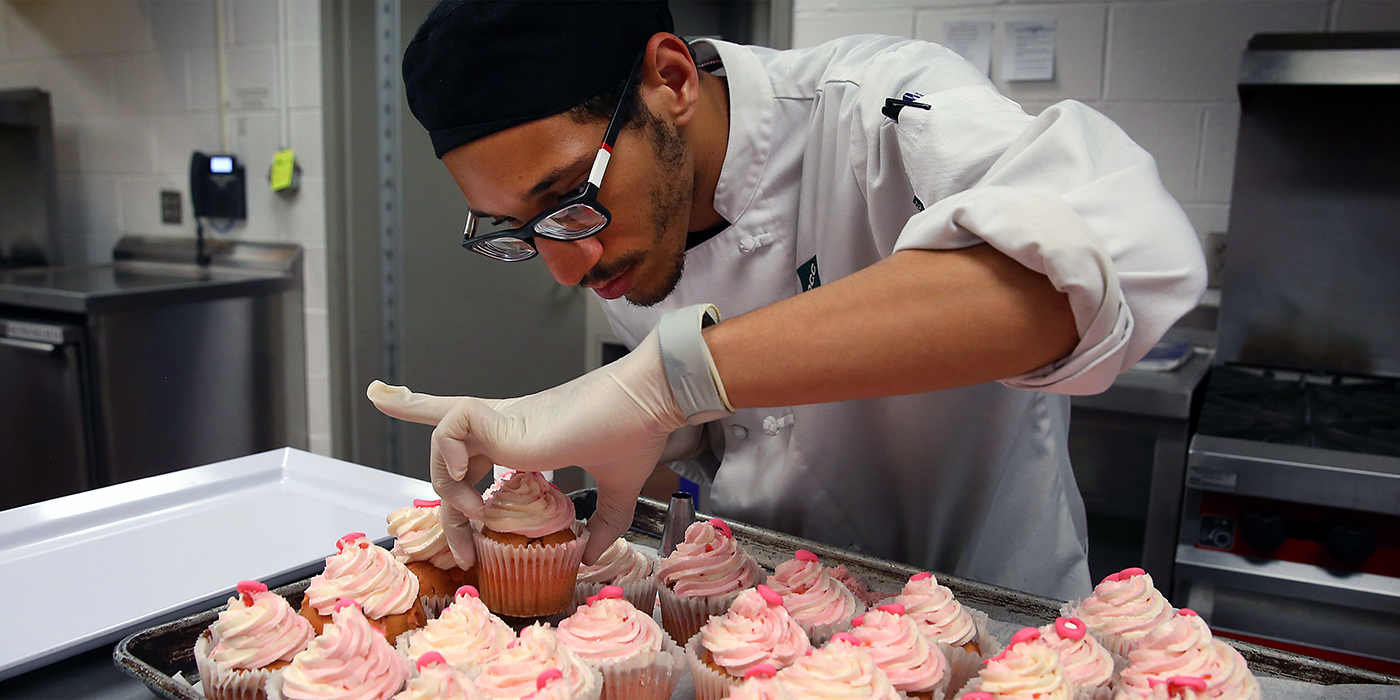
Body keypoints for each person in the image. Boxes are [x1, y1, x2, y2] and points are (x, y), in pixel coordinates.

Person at [368, 0, 1205, 600]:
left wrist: (670, 377)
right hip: (760, 617)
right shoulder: (617, 231)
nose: (564, 266)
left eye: (567, 198)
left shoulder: (876, 113)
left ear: (670, 80)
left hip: (986, 620)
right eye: (519, 230)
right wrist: (657, 434)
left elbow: (1123, 257)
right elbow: (730, 437)